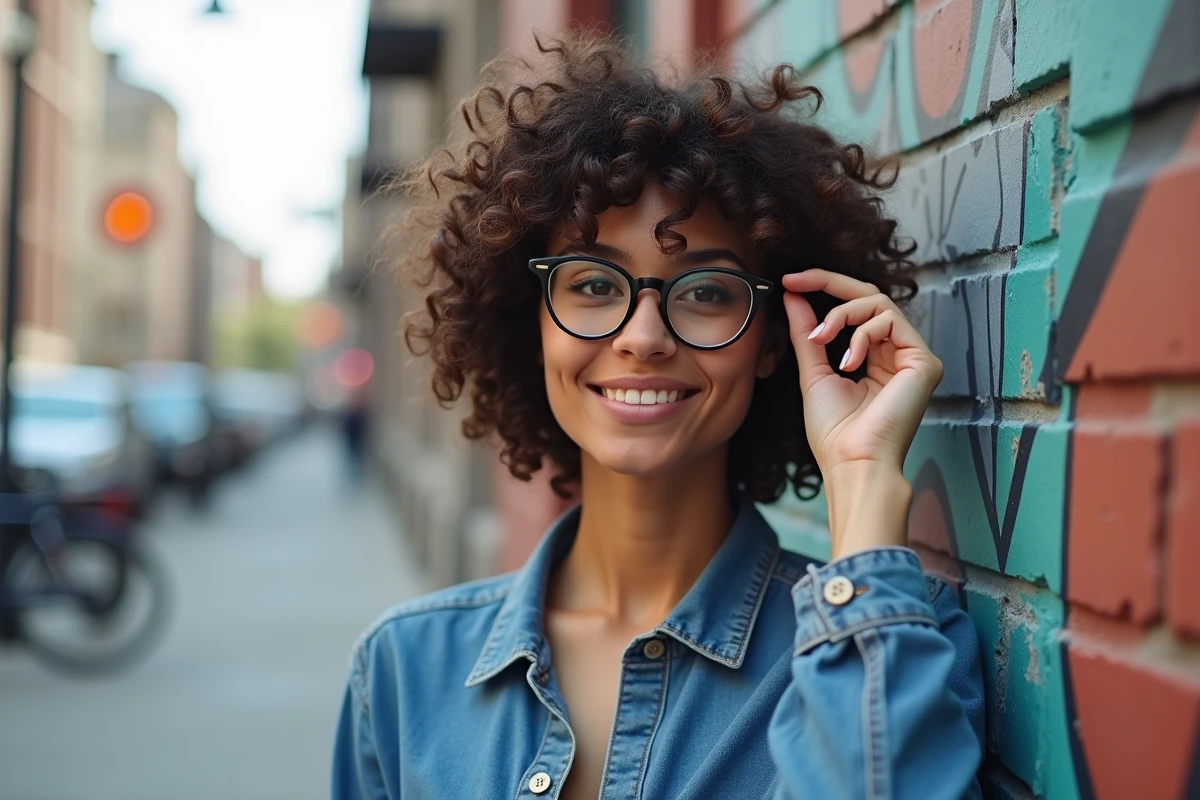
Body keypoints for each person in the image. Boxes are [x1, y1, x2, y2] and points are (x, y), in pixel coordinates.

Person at [333, 32, 985, 800]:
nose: (643, 338)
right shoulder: (404, 671)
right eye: (593, 286)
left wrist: (863, 477)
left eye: (706, 293)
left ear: (775, 340)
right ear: (530, 320)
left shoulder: (900, 638)